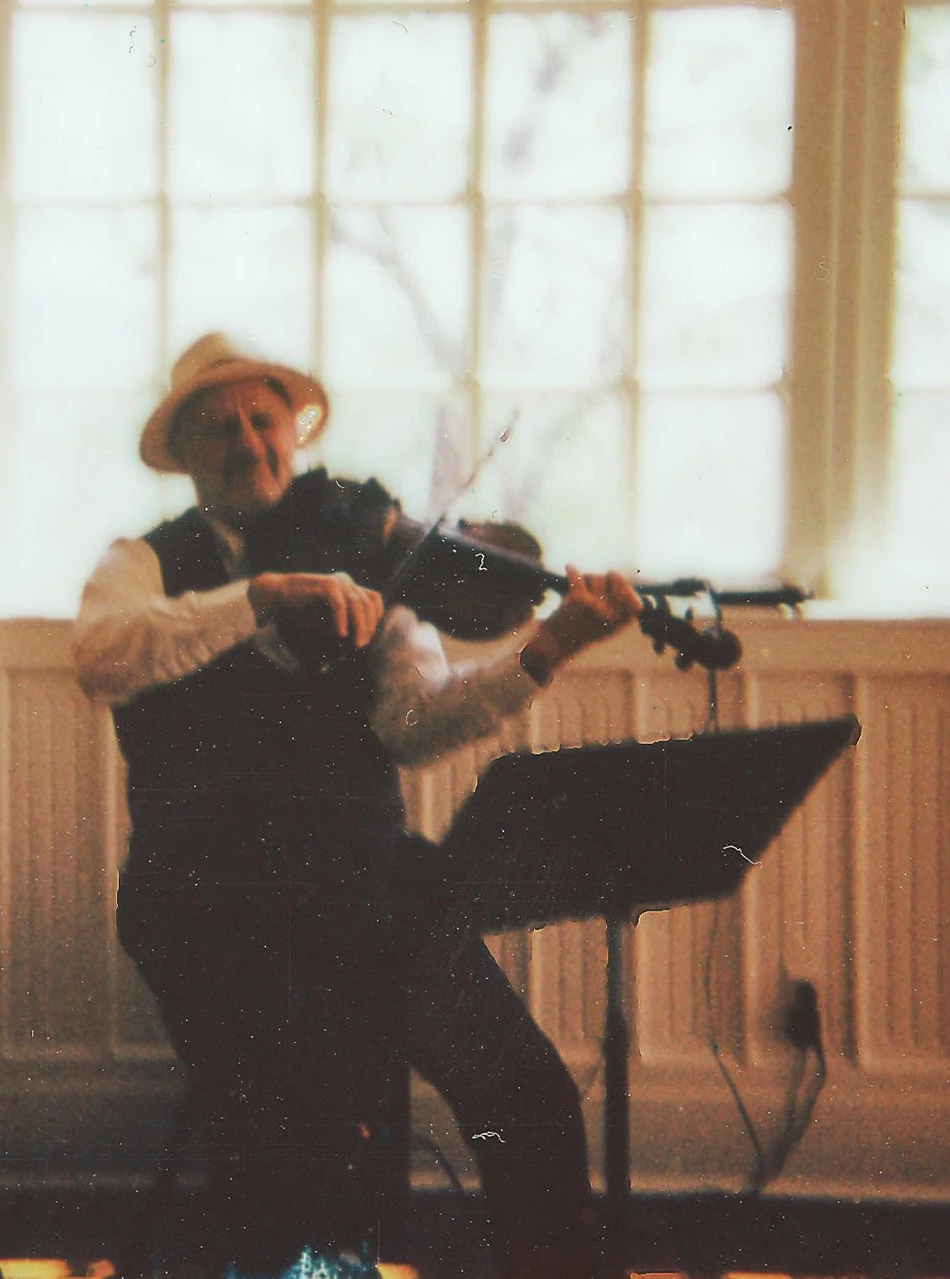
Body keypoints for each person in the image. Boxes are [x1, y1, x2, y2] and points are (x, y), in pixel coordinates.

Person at [73, 333, 642, 1278]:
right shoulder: (143, 562)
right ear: (184, 458)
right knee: (303, 1152)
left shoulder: (362, 556)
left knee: (525, 1092)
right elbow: (101, 655)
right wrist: (256, 597)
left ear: (294, 434)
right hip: (214, 904)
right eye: (220, 429)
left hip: (364, 885)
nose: (249, 442)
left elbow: (414, 723)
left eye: (264, 420)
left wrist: (551, 646)